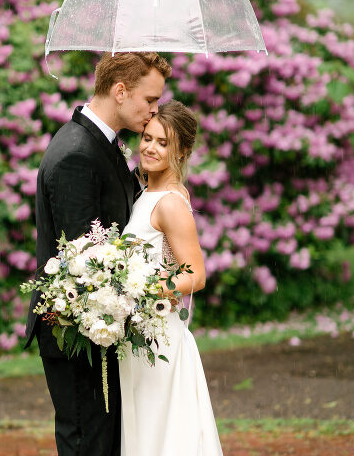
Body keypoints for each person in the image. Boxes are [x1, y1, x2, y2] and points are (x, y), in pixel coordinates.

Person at [24, 52, 172, 456]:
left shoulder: (103, 144)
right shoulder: (76, 153)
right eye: (150, 99)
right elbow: (83, 260)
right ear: (120, 91)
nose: (155, 110)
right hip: (77, 332)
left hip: (100, 331)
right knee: (88, 446)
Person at [119, 100, 223, 456]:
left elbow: (196, 275)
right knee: (146, 432)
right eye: (147, 138)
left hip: (159, 338)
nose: (150, 148)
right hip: (141, 334)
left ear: (182, 151)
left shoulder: (170, 203)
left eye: (163, 143)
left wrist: (142, 289)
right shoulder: (148, 194)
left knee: (160, 433)